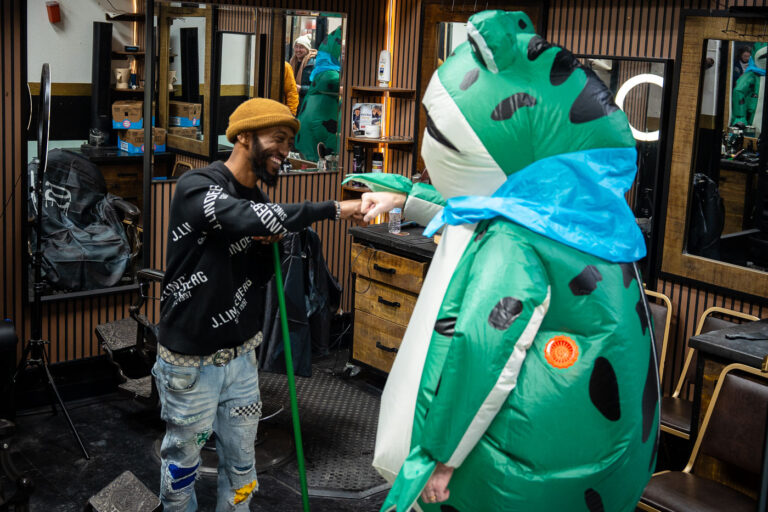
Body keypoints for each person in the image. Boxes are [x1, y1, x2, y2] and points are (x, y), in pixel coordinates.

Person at [346, 10, 656, 512]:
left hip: (517, 470)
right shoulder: (578, 210)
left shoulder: (519, 239)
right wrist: (404, 197)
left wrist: (440, 459)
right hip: (594, 466)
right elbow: (476, 202)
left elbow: (483, 350)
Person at [153, 98, 362, 511]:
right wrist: (338, 208)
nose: (285, 151)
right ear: (244, 136)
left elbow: (259, 277)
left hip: (241, 360)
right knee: (182, 472)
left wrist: (268, 248)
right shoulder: (196, 186)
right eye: (278, 139)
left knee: (243, 472)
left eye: (289, 142)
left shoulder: (263, 205)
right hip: (189, 365)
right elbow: (237, 216)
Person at [295, 27, 342, 161]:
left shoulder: (321, 70)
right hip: (318, 126)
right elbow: (346, 88)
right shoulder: (328, 74)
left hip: (312, 124)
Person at [289, 35, 316, 110]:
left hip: (307, 105)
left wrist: (301, 89)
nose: (298, 50)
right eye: (296, 46)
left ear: (307, 49)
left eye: (301, 47)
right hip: (293, 103)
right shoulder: (292, 61)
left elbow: (317, 87)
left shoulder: (313, 63)